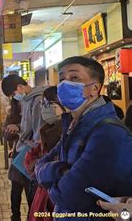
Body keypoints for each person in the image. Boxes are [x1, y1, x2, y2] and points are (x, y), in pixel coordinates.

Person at [35, 56, 132, 220]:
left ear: (95, 88)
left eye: (74, 78)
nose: (65, 84)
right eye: (62, 79)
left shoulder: (108, 133)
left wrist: (52, 177)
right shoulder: (72, 126)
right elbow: (39, 166)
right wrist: (62, 170)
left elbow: (67, 196)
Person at [1, 74, 49, 218]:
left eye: (14, 94)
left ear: (20, 87)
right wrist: (18, 128)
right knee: (18, 190)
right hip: (23, 152)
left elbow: (37, 133)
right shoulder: (27, 100)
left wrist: (21, 133)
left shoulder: (38, 100)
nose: (15, 97)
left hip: (31, 154)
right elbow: (26, 127)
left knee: (32, 195)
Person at [23, 86, 66, 221]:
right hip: (42, 197)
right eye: (43, 104)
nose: (44, 109)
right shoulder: (46, 130)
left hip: (55, 200)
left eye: (49, 104)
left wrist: (40, 166)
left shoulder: (69, 132)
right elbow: (31, 156)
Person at [3, 98, 30, 221]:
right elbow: (7, 135)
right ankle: (15, 216)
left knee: (31, 191)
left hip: (32, 156)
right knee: (16, 189)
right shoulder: (12, 114)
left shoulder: (33, 112)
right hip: (18, 155)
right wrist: (11, 130)